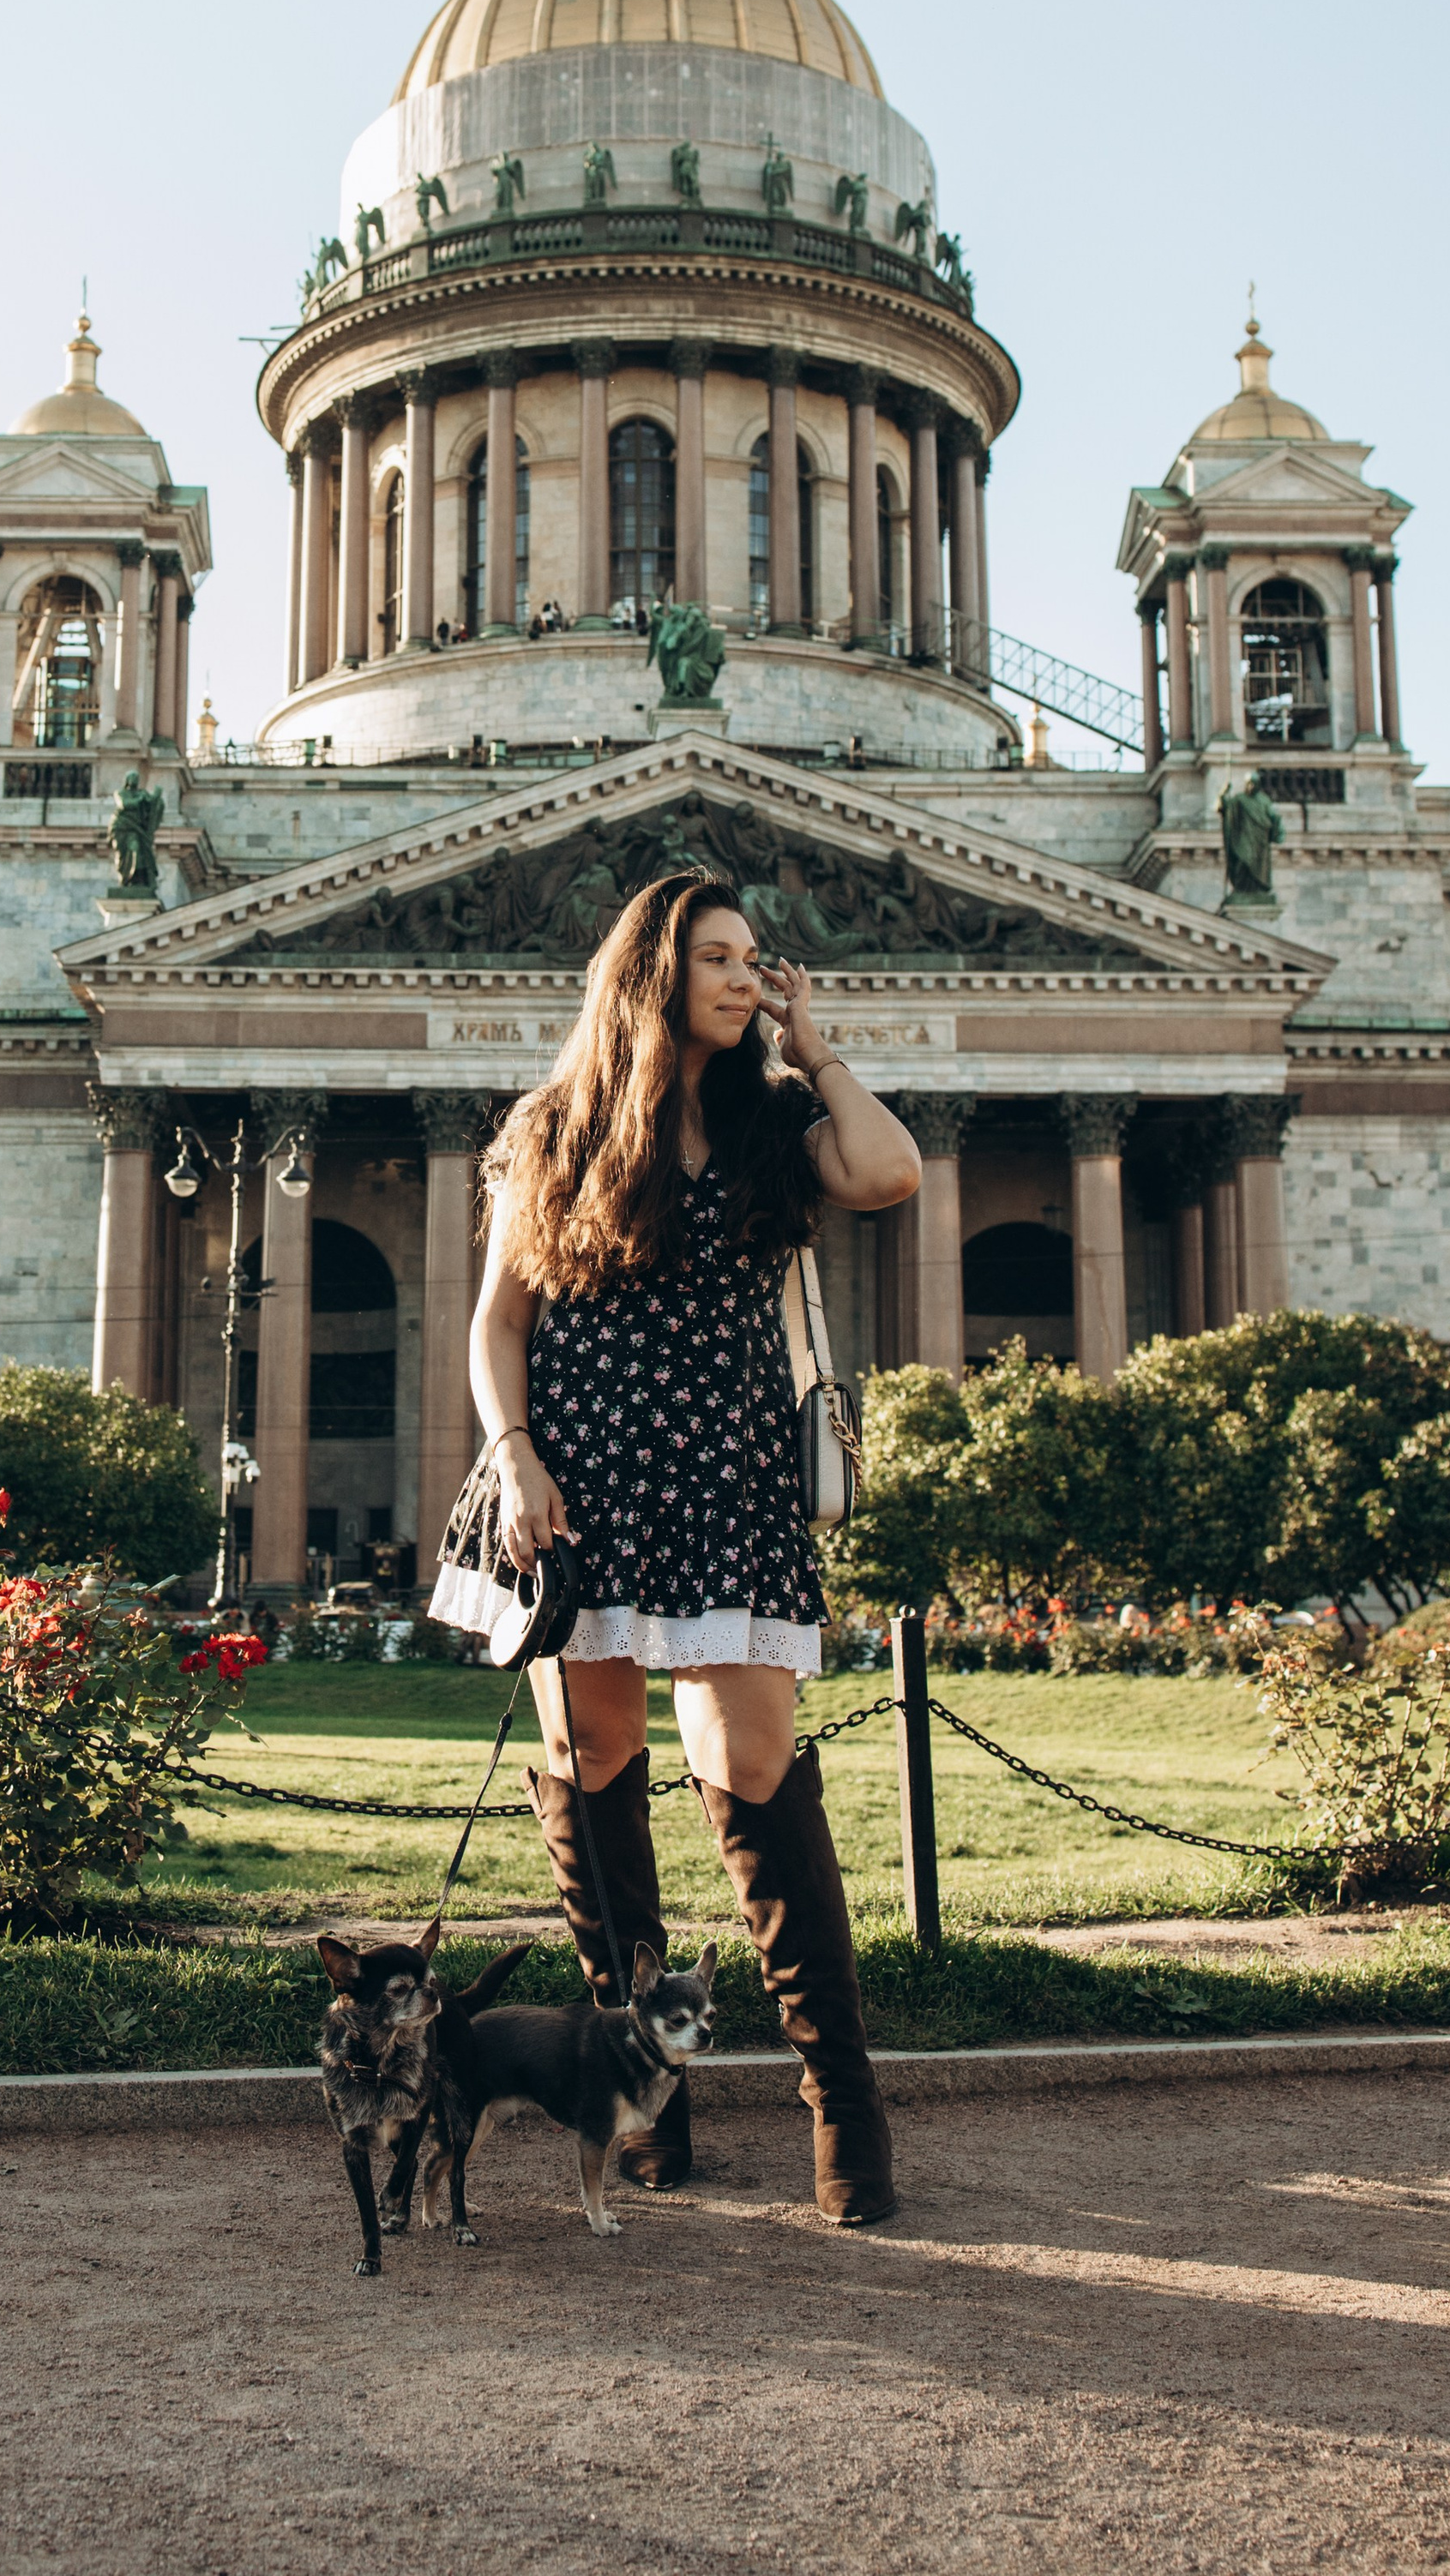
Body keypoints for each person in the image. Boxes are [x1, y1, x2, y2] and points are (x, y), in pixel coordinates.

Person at [430, 870, 921, 2221]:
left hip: (727, 1476)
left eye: (755, 958)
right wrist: (515, 1453)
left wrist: (812, 1046)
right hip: (576, 1484)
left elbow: (889, 1172)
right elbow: (500, 1325)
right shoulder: (556, 1126)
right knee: (593, 1765)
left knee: (750, 1764)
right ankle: (637, 2084)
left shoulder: (775, 1123)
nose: (744, 976)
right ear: (652, 972)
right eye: (718, 957)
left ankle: (844, 2105)